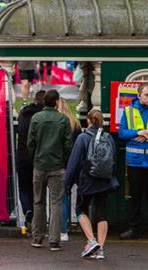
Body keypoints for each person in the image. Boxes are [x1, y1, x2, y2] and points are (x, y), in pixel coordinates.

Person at [65, 108, 119, 261]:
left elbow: (73, 162)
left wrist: (67, 184)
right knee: (102, 213)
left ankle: (91, 240)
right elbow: (114, 159)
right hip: (104, 181)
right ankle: (100, 249)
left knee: (81, 209)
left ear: (88, 121)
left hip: (87, 180)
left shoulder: (82, 138)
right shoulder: (108, 138)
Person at [118, 82, 148, 240]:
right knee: (135, 197)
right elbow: (122, 133)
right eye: (147, 94)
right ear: (139, 95)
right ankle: (134, 229)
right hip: (135, 161)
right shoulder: (128, 111)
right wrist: (137, 132)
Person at [28, 89, 73, 251]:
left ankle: (37, 237)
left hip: (39, 164)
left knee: (38, 202)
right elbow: (68, 144)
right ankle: (54, 239)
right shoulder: (62, 119)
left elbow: (30, 143)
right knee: (56, 203)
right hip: (56, 165)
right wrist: (64, 160)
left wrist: (34, 158)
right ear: (56, 102)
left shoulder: (36, 118)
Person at [17, 89, 46, 225]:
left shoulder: (23, 113)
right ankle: (37, 215)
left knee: (23, 187)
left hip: (22, 155)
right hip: (38, 156)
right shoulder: (43, 116)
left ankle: (27, 210)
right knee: (38, 190)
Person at [57, 97, 82, 242]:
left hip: (61, 165)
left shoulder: (59, 124)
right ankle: (80, 222)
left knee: (62, 197)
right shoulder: (76, 124)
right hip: (75, 165)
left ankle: (63, 230)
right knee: (75, 195)